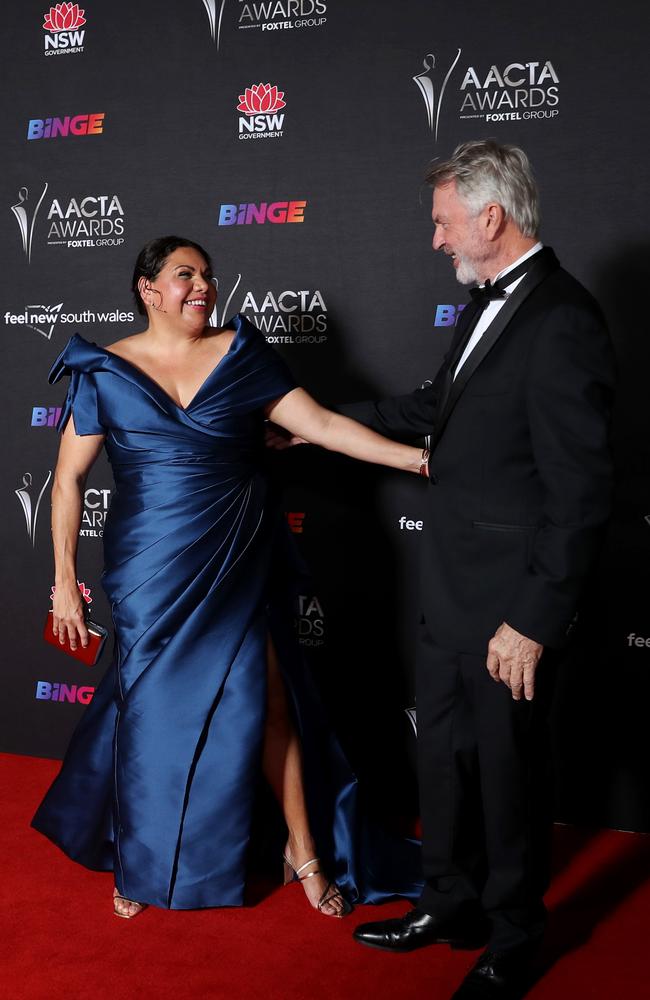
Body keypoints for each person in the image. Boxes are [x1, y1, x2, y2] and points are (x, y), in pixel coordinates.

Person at [32, 235, 426, 920]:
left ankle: (303, 851)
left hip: (235, 559)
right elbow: (67, 481)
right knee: (148, 711)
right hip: (149, 566)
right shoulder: (104, 369)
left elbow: (326, 425)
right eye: (185, 275)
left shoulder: (242, 356)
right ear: (147, 289)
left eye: (209, 276)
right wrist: (64, 581)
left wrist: (419, 461)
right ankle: (140, 860)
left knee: (270, 702)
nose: (203, 287)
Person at [342, 142, 615, 998]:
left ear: (489, 219)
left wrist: (534, 618)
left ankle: (513, 937)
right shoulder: (484, 307)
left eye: (442, 222)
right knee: (446, 766)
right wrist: (306, 421)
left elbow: (583, 493)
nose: (435, 239)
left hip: (510, 610)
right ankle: (448, 903)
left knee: (508, 777)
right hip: (452, 590)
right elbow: (433, 409)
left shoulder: (563, 319)